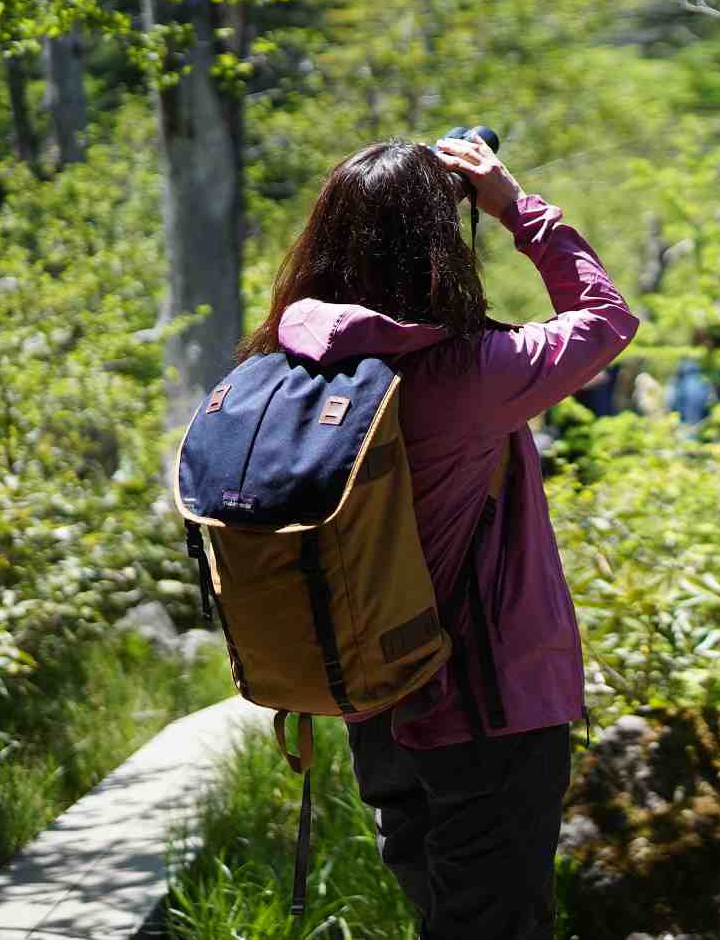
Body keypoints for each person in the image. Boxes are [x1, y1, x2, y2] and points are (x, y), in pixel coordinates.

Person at [235, 136, 638, 938]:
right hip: (488, 710)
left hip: (377, 698)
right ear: (437, 245)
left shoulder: (286, 365)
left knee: (446, 915)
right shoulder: (470, 373)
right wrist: (516, 207)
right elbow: (605, 318)